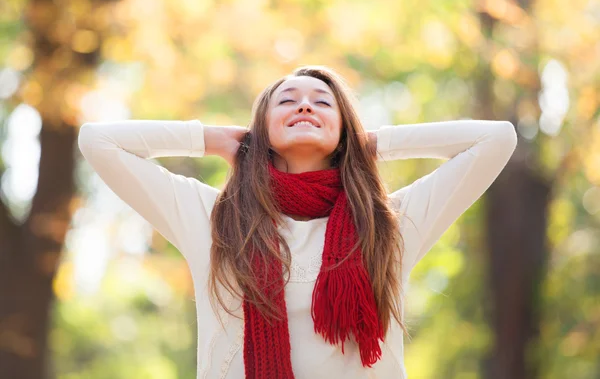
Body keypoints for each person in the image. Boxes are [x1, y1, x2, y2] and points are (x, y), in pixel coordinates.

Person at [78, 65, 517, 379]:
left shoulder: (389, 224)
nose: (305, 106)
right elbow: (98, 141)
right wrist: (209, 139)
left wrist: (373, 144)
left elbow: (496, 139)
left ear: (344, 128)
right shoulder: (214, 219)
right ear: (260, 128)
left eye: (322, 102)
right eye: (287, 101)